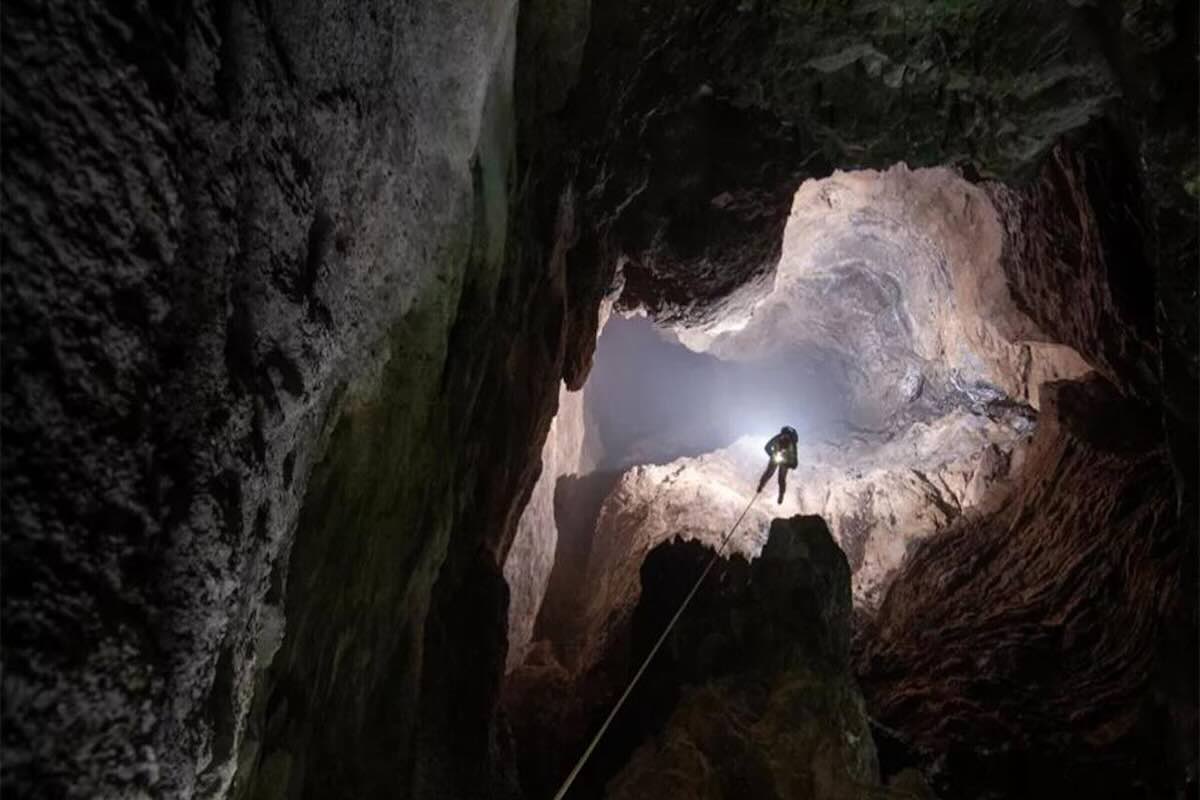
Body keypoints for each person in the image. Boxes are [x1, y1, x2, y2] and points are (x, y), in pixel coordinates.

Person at [757, 426, 798, 504]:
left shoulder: (792, 444)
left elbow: (795, 459)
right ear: (781, 434)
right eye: (784, 435)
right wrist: (772, 454)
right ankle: (761, 485)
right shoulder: (777, 438)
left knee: (781, 478)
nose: (785, 437)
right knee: (769, 473)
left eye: (787, 436)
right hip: (776, 457)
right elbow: (767, 447)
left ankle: (781, 494)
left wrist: (791, 464)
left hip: (785, 461)